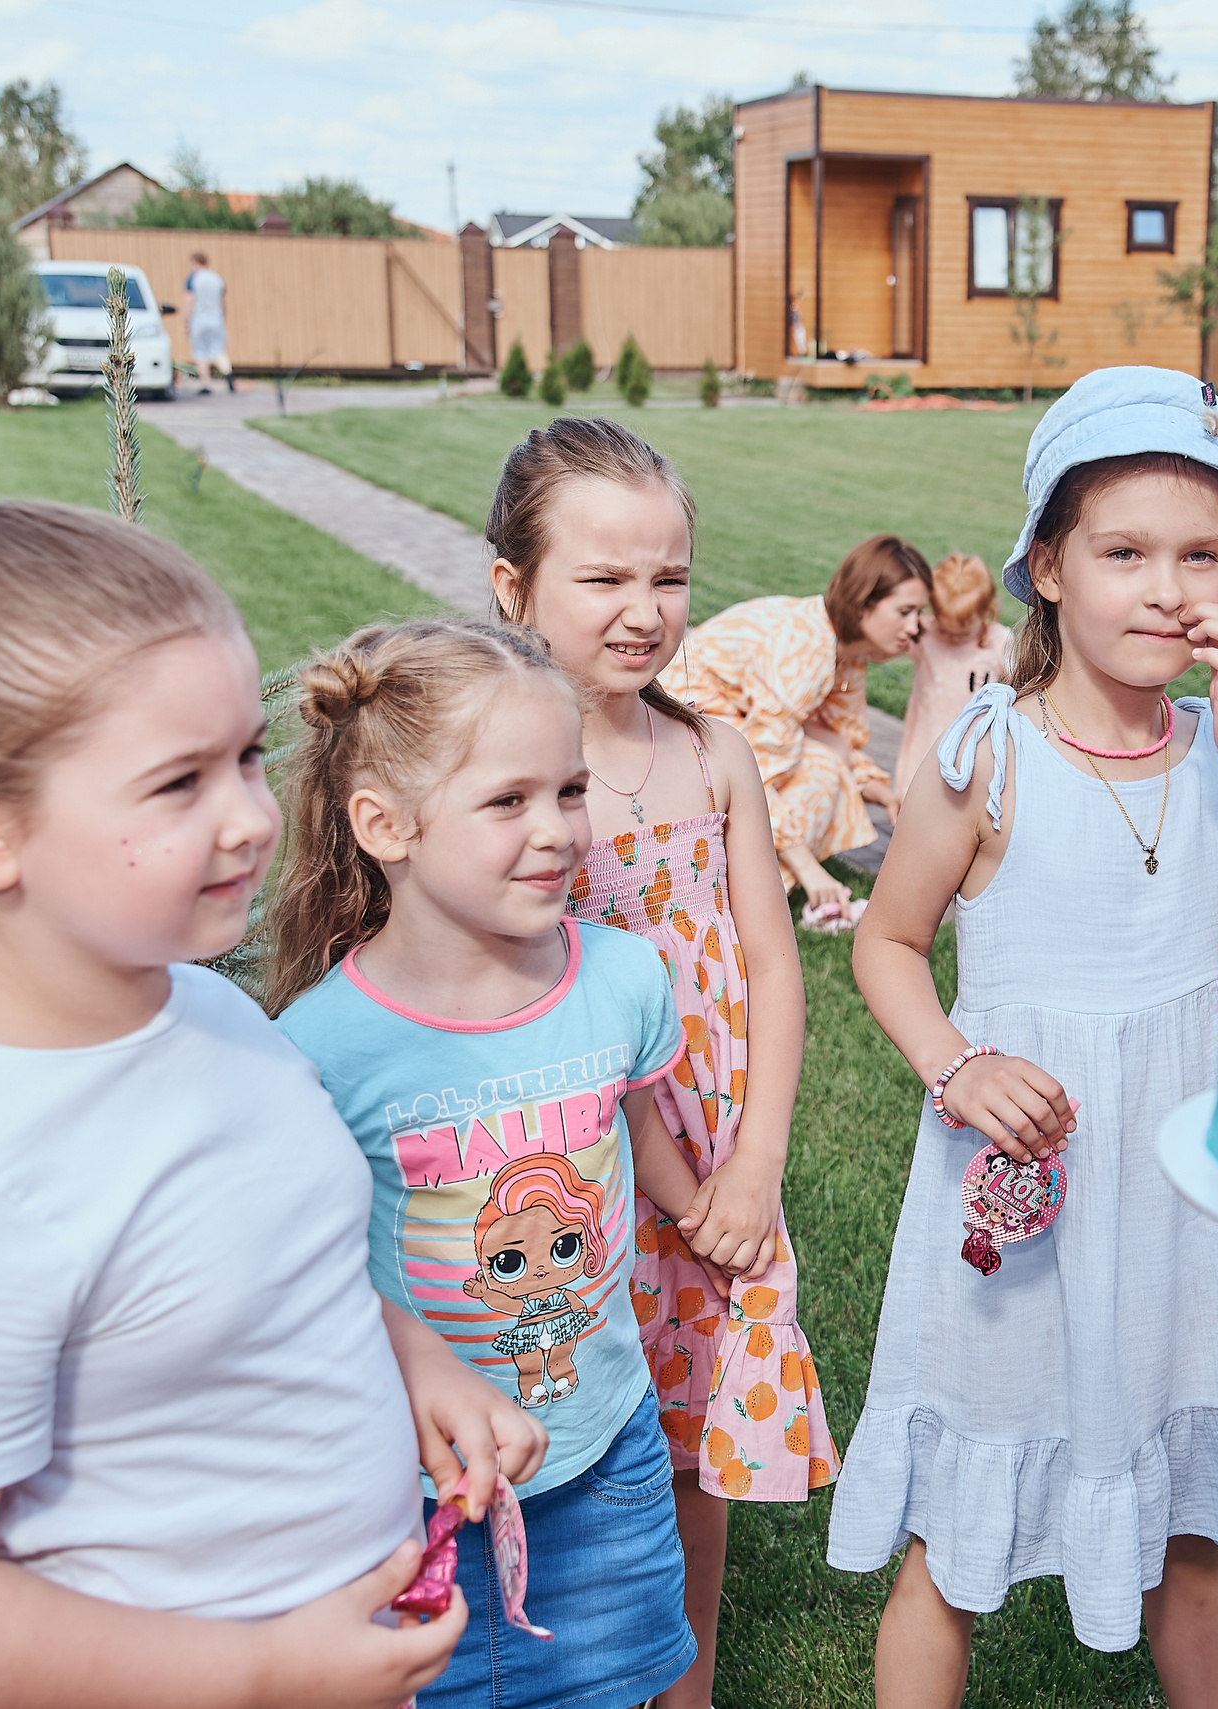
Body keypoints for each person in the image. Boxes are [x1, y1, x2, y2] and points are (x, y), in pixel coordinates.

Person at [0, 435, 544, 1709]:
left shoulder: (208, 1015)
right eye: (178, 782)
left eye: (243, 756)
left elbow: (271, 1270)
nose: (249, 815)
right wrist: (260, 1672)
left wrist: (415, 1359)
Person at [829, 368, 1218, 1709]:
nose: (1166, 589)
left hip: (1184, 1196)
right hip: (1024, 1206)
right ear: (1047, 567)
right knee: (956, 1533)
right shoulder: (990, 759)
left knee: (1198, 1522)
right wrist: (958, 1064)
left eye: (1200, 556)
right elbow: (887, 942)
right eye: (1124, 553)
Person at [264, 618, 717, 1709]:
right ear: (386, 824)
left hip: (605, 1451)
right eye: (508, 800)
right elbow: (297, 1258)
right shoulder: (322, 1047)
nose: (557, 829)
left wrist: (711, 1216)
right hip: (413, 1489)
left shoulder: (621, 978)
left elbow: (635, 1128)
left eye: (570, 790)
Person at [484, 418, 838, 1709]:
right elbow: (557, 1004)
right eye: (605, 578)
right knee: (580, 1439)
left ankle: (686, 1686)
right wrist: (683, 1189)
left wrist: (753, 1168)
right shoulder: (520, 783)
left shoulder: (712, 752)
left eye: (670, 576)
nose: (645, 610)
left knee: (698, 1444)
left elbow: (774, 967)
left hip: (724, 1160)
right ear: (514, 588)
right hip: (590, 1169)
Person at [661, 535, 930, 911]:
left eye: (919, 613)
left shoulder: (846, 651)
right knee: (822, 772)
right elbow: (757, 772)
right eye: (905, 612)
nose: (915, 627)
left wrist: (883, 793)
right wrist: (808, 869)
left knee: (826, 757)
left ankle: (741, 883)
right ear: (862, 602)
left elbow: (840, 738)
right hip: (676, 728)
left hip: (724, 729)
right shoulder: (806, 654)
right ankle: (736, 897)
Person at [892, 551, 1013, 814]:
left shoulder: (997, 642)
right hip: (925, 742)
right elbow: (887, 641)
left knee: (964, 811)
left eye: (963, 632)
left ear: (986, 611)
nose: (953, 638)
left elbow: (1024, 679)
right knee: (916, 808)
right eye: (945, 629)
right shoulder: (925, 634)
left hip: (973, 749)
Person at [185, 252, 232, 394]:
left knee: (201, 352)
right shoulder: (217, 279)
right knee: (219, 350)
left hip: (199, 319)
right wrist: (223, 317)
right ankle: (229, 375)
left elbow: (189, 301)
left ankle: (206, 384)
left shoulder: (193, 279)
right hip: (216, 319)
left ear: (195, 263)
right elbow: (224, 301)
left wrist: (187, 321)